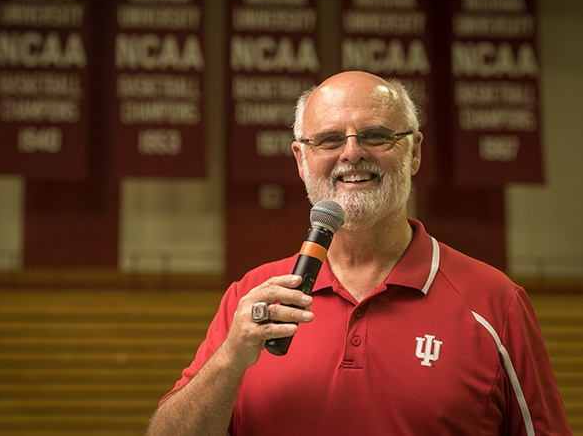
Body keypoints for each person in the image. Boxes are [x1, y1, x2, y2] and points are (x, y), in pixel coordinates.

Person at [147, 71, 572, 435]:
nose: (352, 153)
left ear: (415, 151)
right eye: (330, 139)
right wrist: (230, 359)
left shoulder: (496, 303)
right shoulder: (252, 298)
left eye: (375, 135)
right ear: (301, 158)